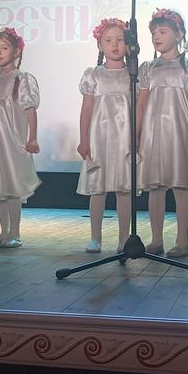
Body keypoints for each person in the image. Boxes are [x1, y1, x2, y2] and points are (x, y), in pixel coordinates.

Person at [137, 8, 188, 258]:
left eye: (163, 31)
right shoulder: (148, 69)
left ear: (178, 35)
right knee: (155, 188)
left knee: (181, 186)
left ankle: (182, 241)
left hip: (179, 135)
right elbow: (141, 105)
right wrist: (136, 134)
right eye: (154, 33)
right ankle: (156, 240)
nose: (156, 36)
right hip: (153, 135)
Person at [76, 17, 132, 254]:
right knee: (97, 188)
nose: (115, 44)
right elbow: (86, 109)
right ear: (100, 45)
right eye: (108, 40)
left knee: (124, 189)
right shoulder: (94, 75)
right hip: (99, 137)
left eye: (120, 39)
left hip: (125, 138)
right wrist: (84, 139)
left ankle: (124, 238)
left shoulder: (134, 74)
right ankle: (95, 237)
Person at [0, 27, 40, 248]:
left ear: (17, 51)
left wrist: (32, 137)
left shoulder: (22, 79)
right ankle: (3, 231)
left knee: (13, 187)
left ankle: (14, 232)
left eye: (4, 48)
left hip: (12, 142)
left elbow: (30, 109)